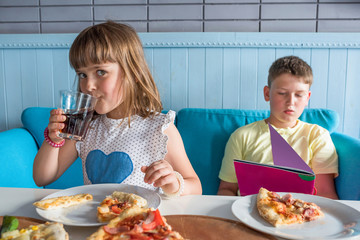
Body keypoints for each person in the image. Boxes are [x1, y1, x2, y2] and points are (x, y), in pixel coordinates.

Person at [33, 21, 202, 197]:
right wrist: (53, 140)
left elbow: (196, 187)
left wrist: (174, 183)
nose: (88, 85)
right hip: (95, 220)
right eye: (82, 74)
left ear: (133, 74)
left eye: (100, 72)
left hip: (141, 221)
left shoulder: (159, 128)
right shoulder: (85, 128)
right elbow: (42, 178)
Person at [217, 56, 339, 199]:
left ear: (307, 98)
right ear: (267, 93)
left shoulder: (318, 135)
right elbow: (226, 189)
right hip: (248, 214)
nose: (290, 102)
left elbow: (326, 193)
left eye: (299, 95)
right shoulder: (242, 136)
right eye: (282, 93)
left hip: (299, 216)